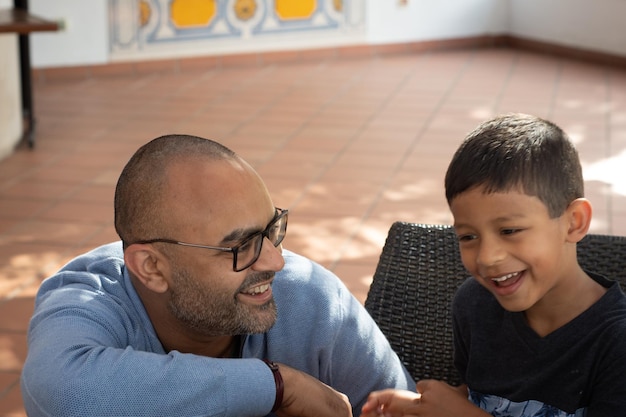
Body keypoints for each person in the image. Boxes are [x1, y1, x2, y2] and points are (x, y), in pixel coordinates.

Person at [21, 134, 415, 417]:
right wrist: (278, 386)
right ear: (152, 268)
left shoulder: (311, 298)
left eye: (270, 229)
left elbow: (406, 406)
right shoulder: (89, 299)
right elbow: (64, 393)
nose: (275, 262)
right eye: (240, 245)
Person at [361, 113, 626, 417]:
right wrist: (421, 408)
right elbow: (480, 395)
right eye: (468, 236)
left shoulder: (616, 342)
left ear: (573, 222)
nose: (487, 257)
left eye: (509, 231)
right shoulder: (474, 304)